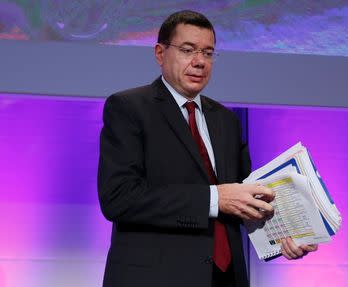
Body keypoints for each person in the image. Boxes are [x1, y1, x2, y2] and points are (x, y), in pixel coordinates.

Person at [98, 10, 317, 287]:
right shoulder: (129, 108)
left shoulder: (226, 120)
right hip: (156, 277)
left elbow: (242, 199)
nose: (199, 62)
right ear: (160, 53)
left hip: (226, 278)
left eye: (208, 52)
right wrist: (214, 199)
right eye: (188, 50)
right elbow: (119, 198)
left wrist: (285, 236)